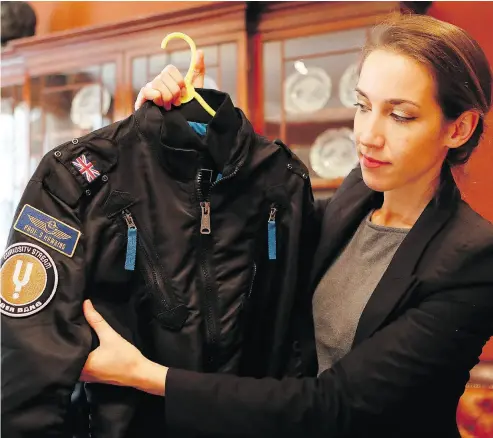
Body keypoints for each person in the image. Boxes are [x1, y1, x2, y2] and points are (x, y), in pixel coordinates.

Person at [80, 14, 493, 438]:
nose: (368, 135)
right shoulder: (354, 196)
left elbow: (334, 405)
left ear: (458, 128)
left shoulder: (472, 257)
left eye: (400, 116)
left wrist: (144, 374)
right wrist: (186, 127)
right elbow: (246, 222)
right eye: (363, 106)